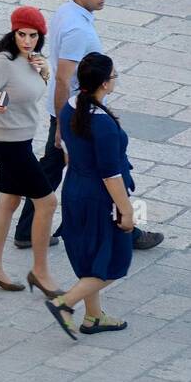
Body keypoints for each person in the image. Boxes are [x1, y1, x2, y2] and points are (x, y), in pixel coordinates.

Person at [14, 0, 163, 250]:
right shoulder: (78, 30)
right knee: (105, 170)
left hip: (69, 112)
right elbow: (62, 78)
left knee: (52, 169)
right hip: (76, 115)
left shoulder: (66, 12)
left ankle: (27, 231)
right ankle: (125, 231)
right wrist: (61, 124)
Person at [45, 54, 135, 339]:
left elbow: (72, 154)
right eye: (114, 75)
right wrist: (127, 210)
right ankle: (65, 304)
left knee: (91, 255)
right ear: (105, 84)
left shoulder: (71, 108)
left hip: (74, 190)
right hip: (99, 197)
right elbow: (111, 175)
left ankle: (93, 316)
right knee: (113, 261)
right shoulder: (104, 126)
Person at [0, 6, 62, 297]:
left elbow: (33, 91)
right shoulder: (3, 62)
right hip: (7, 145)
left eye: (33, 35)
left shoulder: (34, 59)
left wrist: (45, 72)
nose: (26, 40)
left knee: (9, 202)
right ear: (13, 33)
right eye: (21, 34)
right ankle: (40, 272)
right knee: (47, 202)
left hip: (22, 141)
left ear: (41, 36)